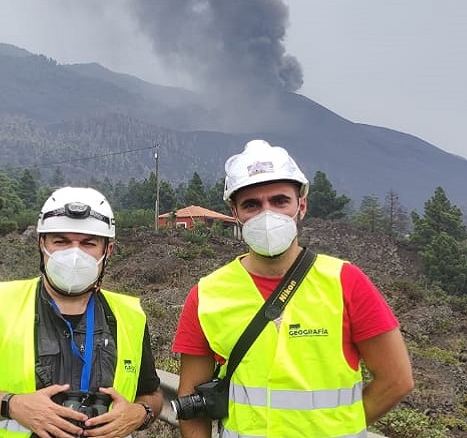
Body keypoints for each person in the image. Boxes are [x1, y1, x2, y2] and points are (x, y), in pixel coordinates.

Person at [172, 140, 414, 438]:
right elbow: (190, 405)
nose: (267, 214)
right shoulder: (206, 295)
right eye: (252, 204)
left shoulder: (345, 282)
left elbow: (396, 380)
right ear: (235, 211)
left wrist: (339, 428)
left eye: (279, 201)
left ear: (301, 205)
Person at [0, 186, 162, 438]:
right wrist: (13, 405)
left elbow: (151, 394)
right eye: (61, 241)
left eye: (88, 243)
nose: (74, 254)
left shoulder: (129, 316)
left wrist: (140, 413)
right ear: (42, 244)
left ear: (107, 250)